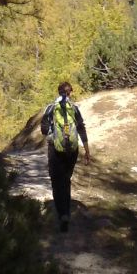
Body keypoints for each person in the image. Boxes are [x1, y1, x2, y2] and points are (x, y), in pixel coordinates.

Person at [40, 81, 90, 231]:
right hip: (72, 150)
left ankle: (61, 213)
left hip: (55, 149)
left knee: (56, 181)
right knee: (66, 180)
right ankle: (67, 213)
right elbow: (81, 128)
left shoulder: (50, 108)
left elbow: (43, 130)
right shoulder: (74, 108)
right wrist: (87, 150)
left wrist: (52, 132)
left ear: (58, 92)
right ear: (70, 93)